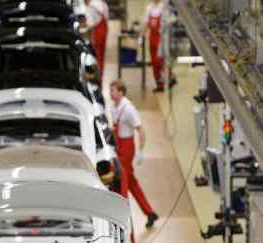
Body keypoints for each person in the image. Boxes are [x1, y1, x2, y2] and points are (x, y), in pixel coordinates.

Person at [109, 80, 158, 228]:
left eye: (113, 90)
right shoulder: (113, 106)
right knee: (131, 183)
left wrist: (141, 151)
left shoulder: (129, 109)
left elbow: (141, 130)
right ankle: (150, 212)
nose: (110, 93)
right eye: (110, 90)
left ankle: (121, 218)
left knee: (122, 181)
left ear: (121, 92)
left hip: (128, 147)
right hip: (118, 146)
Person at [143, 0, 171, 93]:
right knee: (154, 63)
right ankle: (159, 85)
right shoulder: (149, 8)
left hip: (161, 39)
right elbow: (146, 24)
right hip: (152, 38)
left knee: (161, 61)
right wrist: (141, 36)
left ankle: (168, 80)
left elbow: (169, 23)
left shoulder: (164, 7)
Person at [85, 0, 109, 75]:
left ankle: (98, 74)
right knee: (102, 55)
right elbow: (106, 17)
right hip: (104, 30)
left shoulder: (91, 6)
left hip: (97, 32)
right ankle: (101, 72)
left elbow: (91, 24)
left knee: (97, 54)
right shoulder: (102, 3)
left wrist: (92, 38)